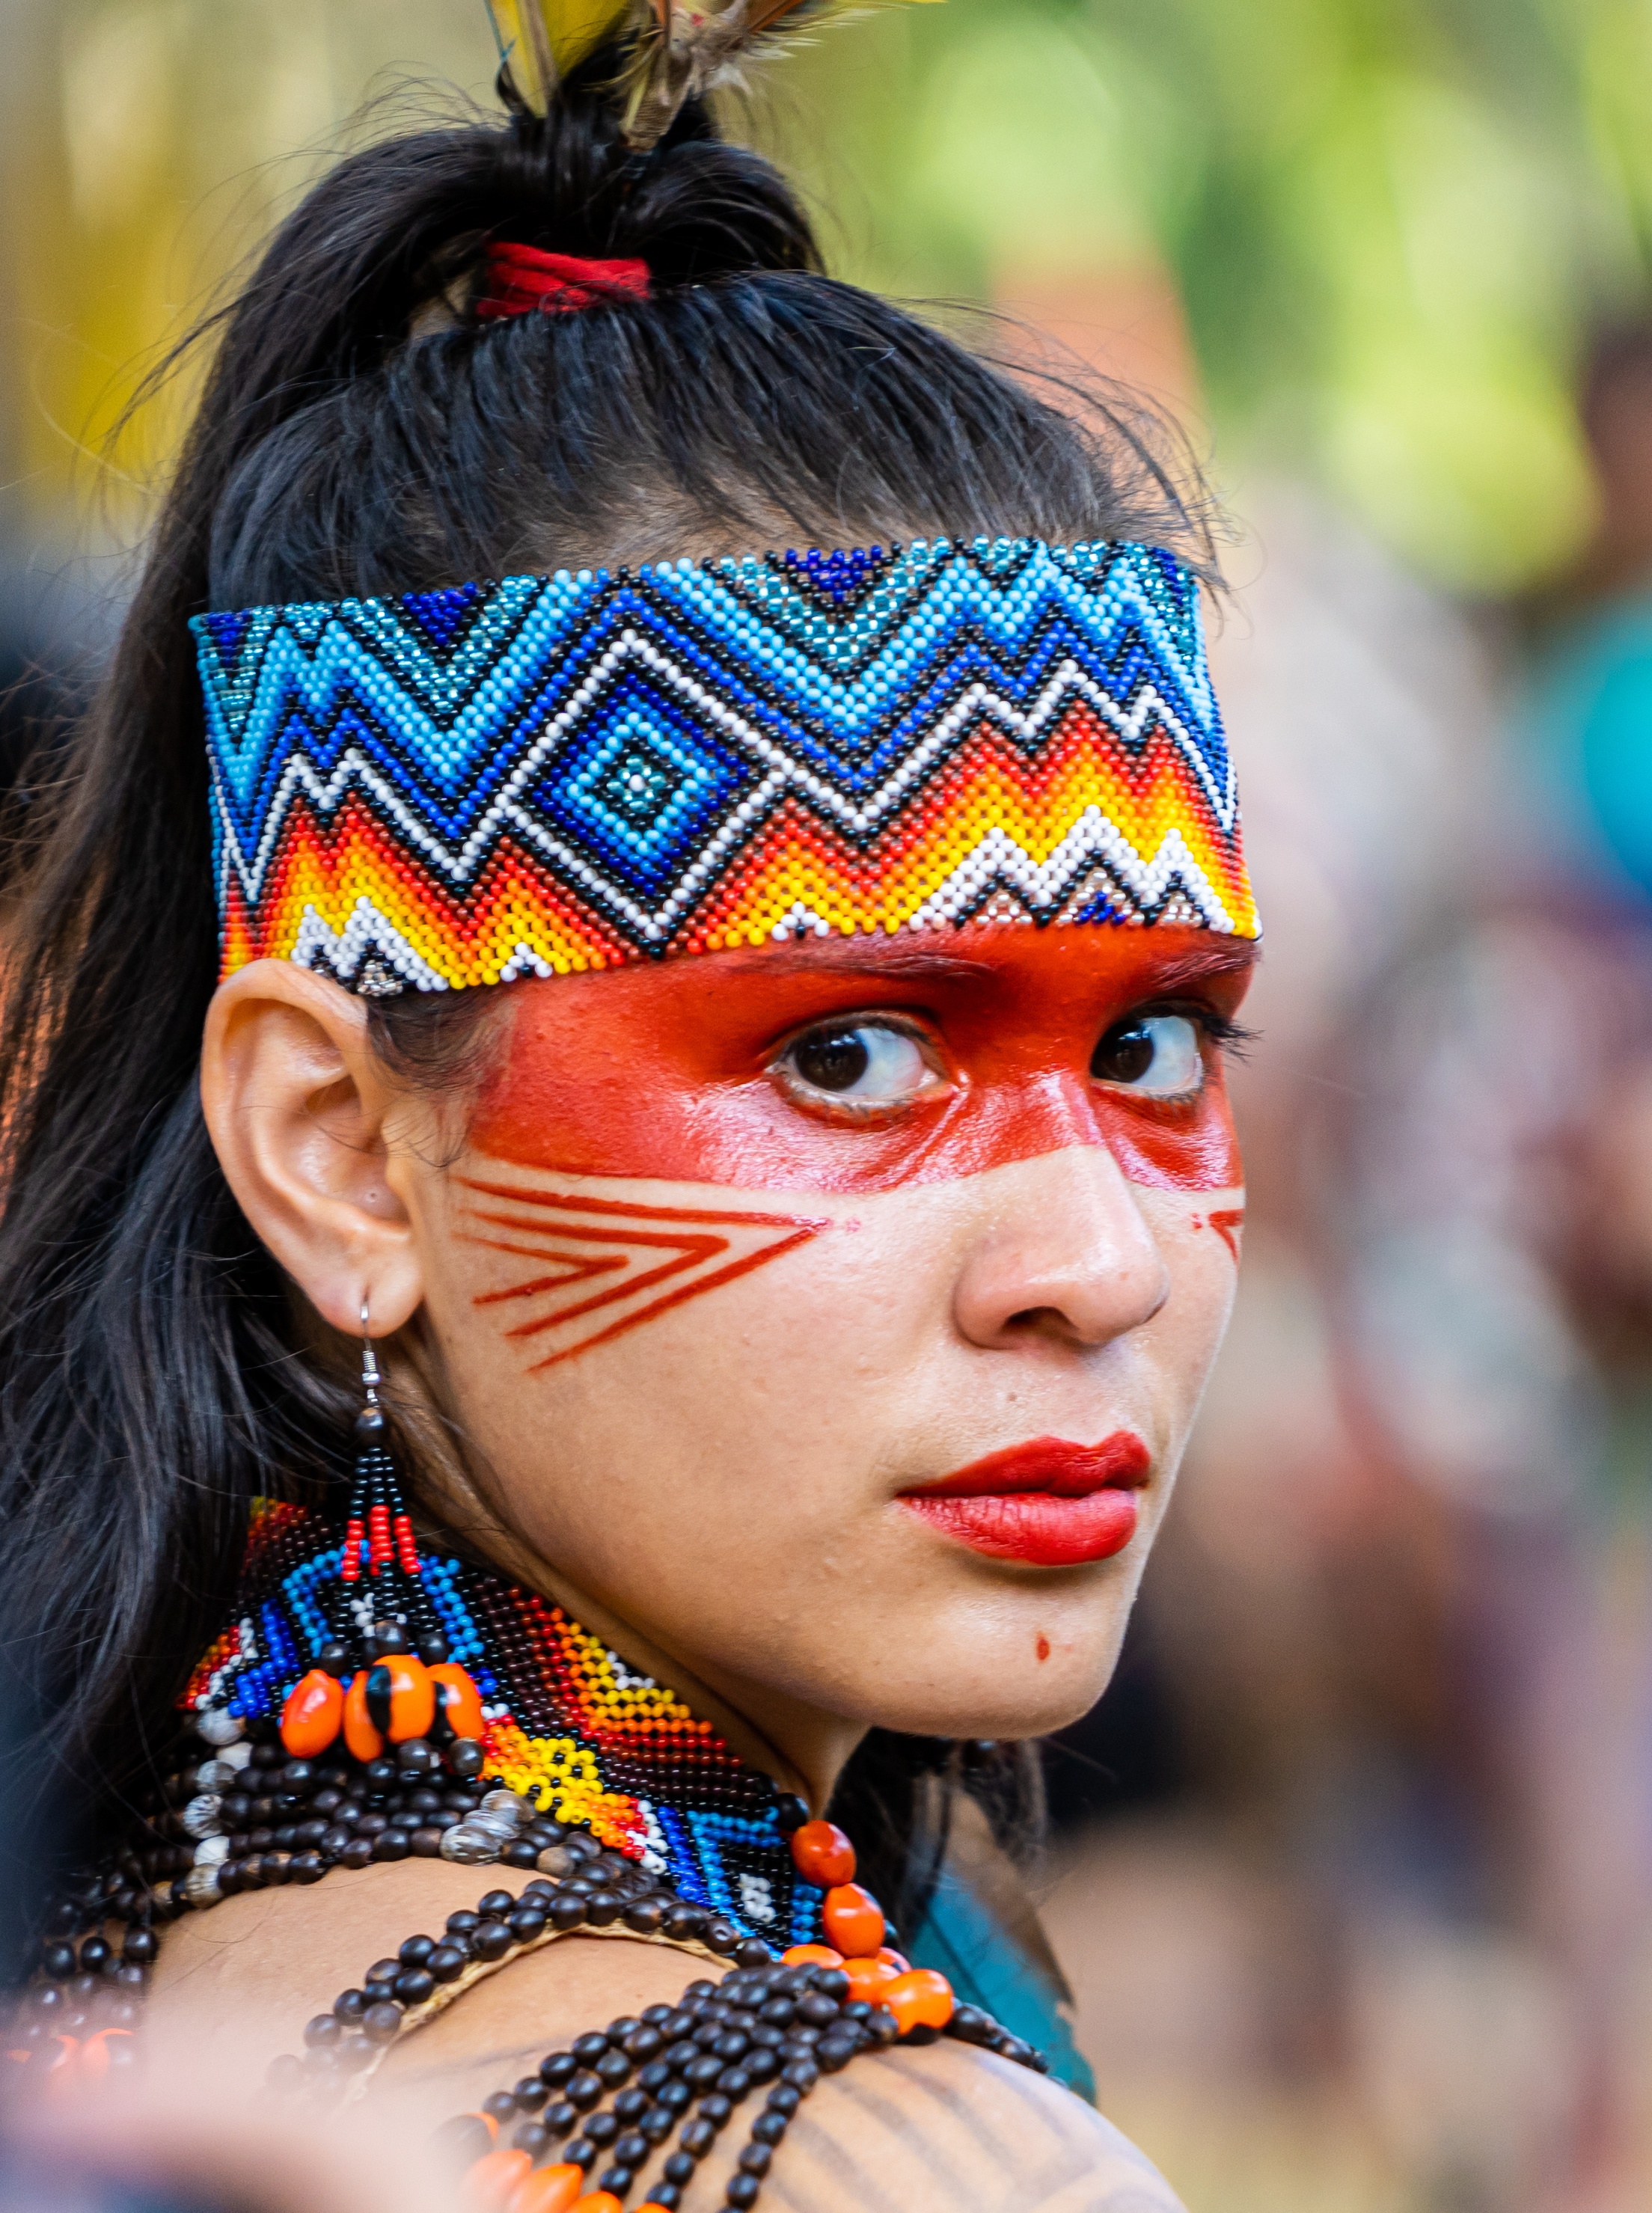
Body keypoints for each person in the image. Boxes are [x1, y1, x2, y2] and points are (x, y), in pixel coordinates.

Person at [0, 5, 1258, 2207]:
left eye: (1153, 1047)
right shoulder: (912, 2165)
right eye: (847, 1055)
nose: (1099, 1259)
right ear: (336, 1148)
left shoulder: (113, 1958)